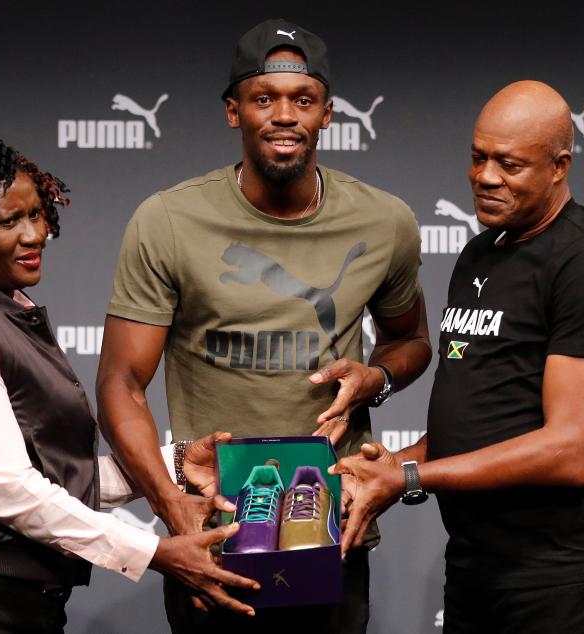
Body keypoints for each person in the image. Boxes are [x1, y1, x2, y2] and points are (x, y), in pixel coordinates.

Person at [96, 18, 431, 633]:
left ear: (327, 114)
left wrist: (374, 378)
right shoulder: (169, 220)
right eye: (263, 98)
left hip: (331, 524)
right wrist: (175, 512)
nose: (284, 115)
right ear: (234, 111)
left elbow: (411, 342)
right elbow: (120, 383)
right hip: (214, 533)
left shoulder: (385, 223)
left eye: (302, 100)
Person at [0, 130, 258, 634]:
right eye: (8, 221)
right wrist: (152, 552)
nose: (34, 234)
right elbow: (10, 491)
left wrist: (177, 463)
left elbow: (57, 480)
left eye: (36, 214)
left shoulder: (8, 308)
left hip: (14, 601)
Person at [332, 80, 584, 634]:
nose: (486, 177)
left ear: (559, 166)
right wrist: (399, 463)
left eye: (510, 164)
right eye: (478, 158)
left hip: (560, 575)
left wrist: (411, 480)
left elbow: (570, 451)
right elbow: (481, 420)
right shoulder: (481, 252)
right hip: (477, 567)